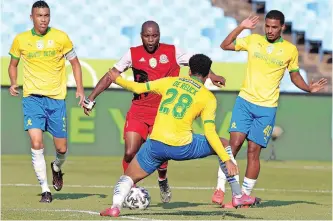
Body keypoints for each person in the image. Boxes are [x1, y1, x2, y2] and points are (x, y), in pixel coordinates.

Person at [98, 54, 259, 217]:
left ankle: (115, 207)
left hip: (156, 145)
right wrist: (226, 159)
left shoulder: (171, 81)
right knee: (224, 143)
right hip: (182, 147)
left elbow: (138, 88)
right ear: (207, 76)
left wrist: (117, 79)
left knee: (128, 177)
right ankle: (238, 196)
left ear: (189, 71)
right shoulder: (208, 98)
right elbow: (210, 132)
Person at [83, 20, 226, 203]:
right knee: (129, 151)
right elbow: (112, 75)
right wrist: (91, 97)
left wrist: (212, 76)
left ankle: (162, 179)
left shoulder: (173, 51)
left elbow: (197, 64)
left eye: (155, 36)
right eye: (147, 36)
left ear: (159, 35)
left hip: (163, 113)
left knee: (161, 156)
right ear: (141, 36)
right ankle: (131, 191)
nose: (151, 40)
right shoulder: (132, 53)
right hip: (139, 110)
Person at [211, 10, 327, 208]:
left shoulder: (290, 50)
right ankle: (220, 188)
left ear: (282, 27)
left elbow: (294, 75)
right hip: (245, 101)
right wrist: (241, 27)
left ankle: (243, 197)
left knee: (253, 152)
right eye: (268, 26)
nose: (270, 30)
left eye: (275, 27)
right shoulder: (254, 40)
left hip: (267, 108)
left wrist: (308, 87)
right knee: (234, 144)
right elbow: (225, 45)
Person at [8, 0, 85, 203]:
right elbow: (13, 65)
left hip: (56, 101)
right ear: (31, 17)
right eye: (39, 15)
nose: (43, 19)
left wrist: (79, 89)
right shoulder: (21, 40)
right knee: (36, 142)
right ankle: (45, 190)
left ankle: (57, 167)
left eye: (46, 15)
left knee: (61, 149)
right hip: (32, 99)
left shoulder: (61, 37)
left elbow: (75, 64)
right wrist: (14, 82)